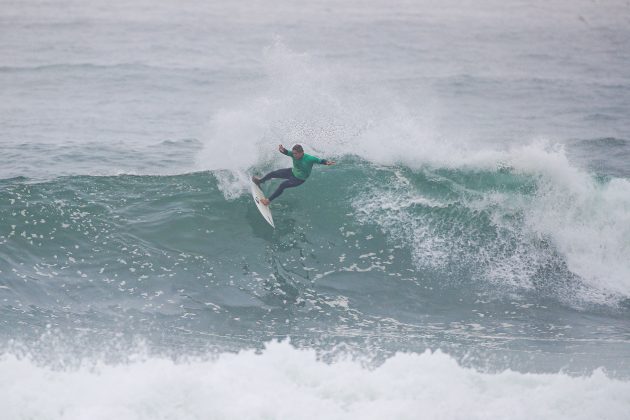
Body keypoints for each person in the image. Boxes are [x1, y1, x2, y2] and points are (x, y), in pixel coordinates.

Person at [252, 144, 335, 206]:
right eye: (293, 153)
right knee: (273, 173)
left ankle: (267, 201)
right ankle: (260, 181)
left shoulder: (309, 159)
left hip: (299, 179)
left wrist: (327, 162)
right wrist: (282, 150)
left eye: (296, 154)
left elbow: (320, 161)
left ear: (302, 152)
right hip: (292, 172)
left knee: (283, 185)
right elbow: (287, 152)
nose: (294, 155)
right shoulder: (293, 154)